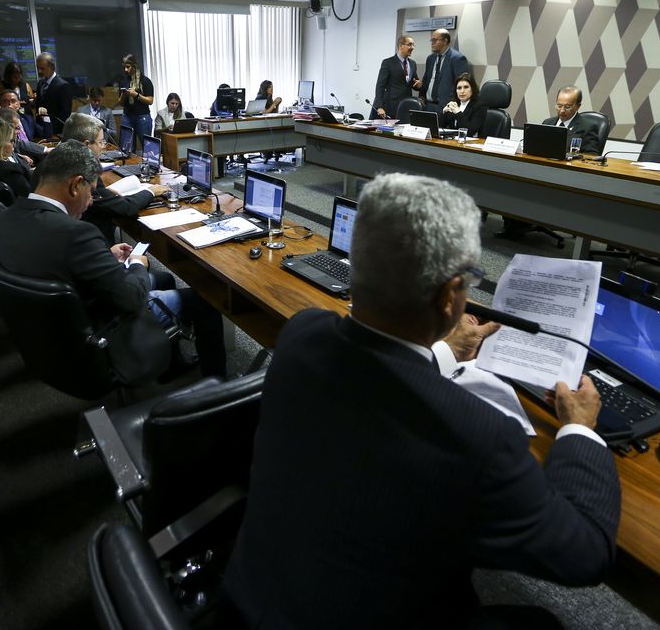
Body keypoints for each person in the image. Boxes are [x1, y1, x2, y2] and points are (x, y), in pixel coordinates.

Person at [223, 172, 620, 628]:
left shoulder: (301, 335)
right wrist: (579, 431)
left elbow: (381, 378)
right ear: (451, 295)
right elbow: (584, 554)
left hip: (254, 600)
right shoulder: (481, 436)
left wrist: (449, 350)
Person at [0, 141, 226, 380]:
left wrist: (103, 256)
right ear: (75, 186)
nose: (92, 201)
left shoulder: (7, 217)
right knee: (206, 301)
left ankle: (170, 362)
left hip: (49, 331)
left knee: (165, 277)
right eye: (91, 191)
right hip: (103, 327)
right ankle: (216, 389)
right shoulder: (76, 233)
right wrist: (137, 263)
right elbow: (130, 298)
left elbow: (54, 259)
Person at [62, 113, 168, 244]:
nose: (103, 146)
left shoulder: (62, 160)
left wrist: (106, 193)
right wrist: (151, 191)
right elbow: (124, 207)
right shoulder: (82, 172)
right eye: (101, 142)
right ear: (86, 145)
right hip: (91, 244)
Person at [417, 28, 470, 114]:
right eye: (431, 40)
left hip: (446, 107)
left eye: (435, 40)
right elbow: (426, 80)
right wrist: (422, 97)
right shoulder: (430, 58)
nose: (432, 43)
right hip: (428, 105)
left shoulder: (457, 59)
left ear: (445, 41)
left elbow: (461, 84)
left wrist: (452, 105)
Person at [542, 86, 603, 155]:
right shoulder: (547, 123)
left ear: (578, 106)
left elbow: (591, 155)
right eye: (559, 106)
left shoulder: (587, 127)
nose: (562, 111)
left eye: (567, 107)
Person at [373, 34, 418, 119]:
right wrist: (379, 106)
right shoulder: (388, 63)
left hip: (406, 106)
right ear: (401, 46)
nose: (412, 47)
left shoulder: (413, 64)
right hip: (390, 106)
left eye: (413, 45)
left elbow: (414, 83)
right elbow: (380, 86)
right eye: (409, 44)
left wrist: (419, 85)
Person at [118, 54, 153, 149]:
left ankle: (149, 163)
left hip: (142, 117)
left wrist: (136, 95)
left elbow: (150, 101)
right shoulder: (123, 81)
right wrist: (124, 95)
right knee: (126, 147)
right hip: (127, 116)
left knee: (147, 146)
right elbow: (120, 103)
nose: (125, 70)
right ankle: (128, 164)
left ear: (134, 66)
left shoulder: (145, 81)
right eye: (124, 67)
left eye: (128, 67)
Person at [34, 52, 74, 135]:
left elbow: (65, 114)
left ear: (52, 67)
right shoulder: (40, 83)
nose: (39, 71)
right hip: (41, 129)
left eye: (42, 68)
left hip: (56, 132)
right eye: (38, 68)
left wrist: (52, 130)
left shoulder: (63, 85)